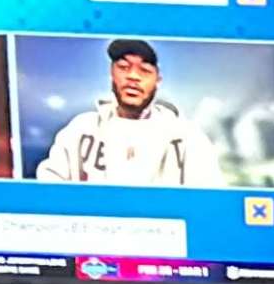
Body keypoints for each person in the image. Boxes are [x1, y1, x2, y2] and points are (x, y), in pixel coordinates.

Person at [37, 38, 198, 183]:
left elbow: (211, 203)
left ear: (158, 81)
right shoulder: (80, 129)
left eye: (145, 70)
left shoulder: (187, 137)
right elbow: (48, 190)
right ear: (112, 74)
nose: (133, 76)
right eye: (123, 67)